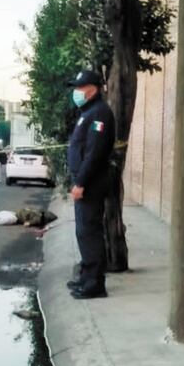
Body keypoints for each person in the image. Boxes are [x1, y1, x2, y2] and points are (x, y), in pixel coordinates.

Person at [66, 70, 116, 299]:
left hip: (92, 183)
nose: (76, 92)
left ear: (92, 89)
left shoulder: (100, 113)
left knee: (90, 232)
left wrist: (81, 183)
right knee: (83, 232)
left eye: (80, 87)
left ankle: (95, 284)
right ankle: (86, 278)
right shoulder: (88, 112)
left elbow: (94, 153)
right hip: (85, 182)